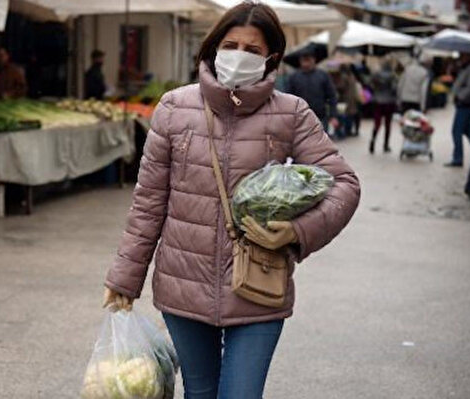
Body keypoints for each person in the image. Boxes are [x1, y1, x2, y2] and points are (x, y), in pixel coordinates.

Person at [102, 3, 361, 398]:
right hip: (183, 284)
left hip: (259, 287)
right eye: (230, 44)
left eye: (252, 50)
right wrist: (125, 277)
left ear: (271, 58)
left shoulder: (292, 114)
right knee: (200, 393)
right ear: (213, 47)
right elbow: (149, 202)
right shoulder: (174, 108)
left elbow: (344, 183)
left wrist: (295, 232)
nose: (239, 55)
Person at [286, 48, 339, 133]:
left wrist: (333, 116)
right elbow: (288, 99)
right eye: (304, 60)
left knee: (321, 144)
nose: (306, 62)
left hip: (320, 117)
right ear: (300, 61)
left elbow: (332, 96)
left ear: (313, 60)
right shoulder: (293, 77)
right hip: (300, 119)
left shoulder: (323, 75)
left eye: (308, 59)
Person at [445, 53, 470, 167]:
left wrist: (460, 96)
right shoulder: (466, 68)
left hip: (466, 104)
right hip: (464, 104)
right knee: (467, 130)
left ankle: (458, 158)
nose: (461, 57)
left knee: (457, 130)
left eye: (463, 55)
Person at [369, 61, 397, 154]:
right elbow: (394, 88)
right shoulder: (393, 75)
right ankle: (385, 145)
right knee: (388, 124)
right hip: (389, 102)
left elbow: (370, 84)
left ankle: (372, 142)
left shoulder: (376, 74)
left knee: (377, 123)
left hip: (378, 101)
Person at [334, 64, 360, 138]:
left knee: (342, 116)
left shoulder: (343, 77)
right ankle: (348, 130)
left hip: (344, 99)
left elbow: (341, 87)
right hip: (352, 98)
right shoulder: (352, 76)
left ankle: (343, 132)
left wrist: (336, 85)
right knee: (349, 115)